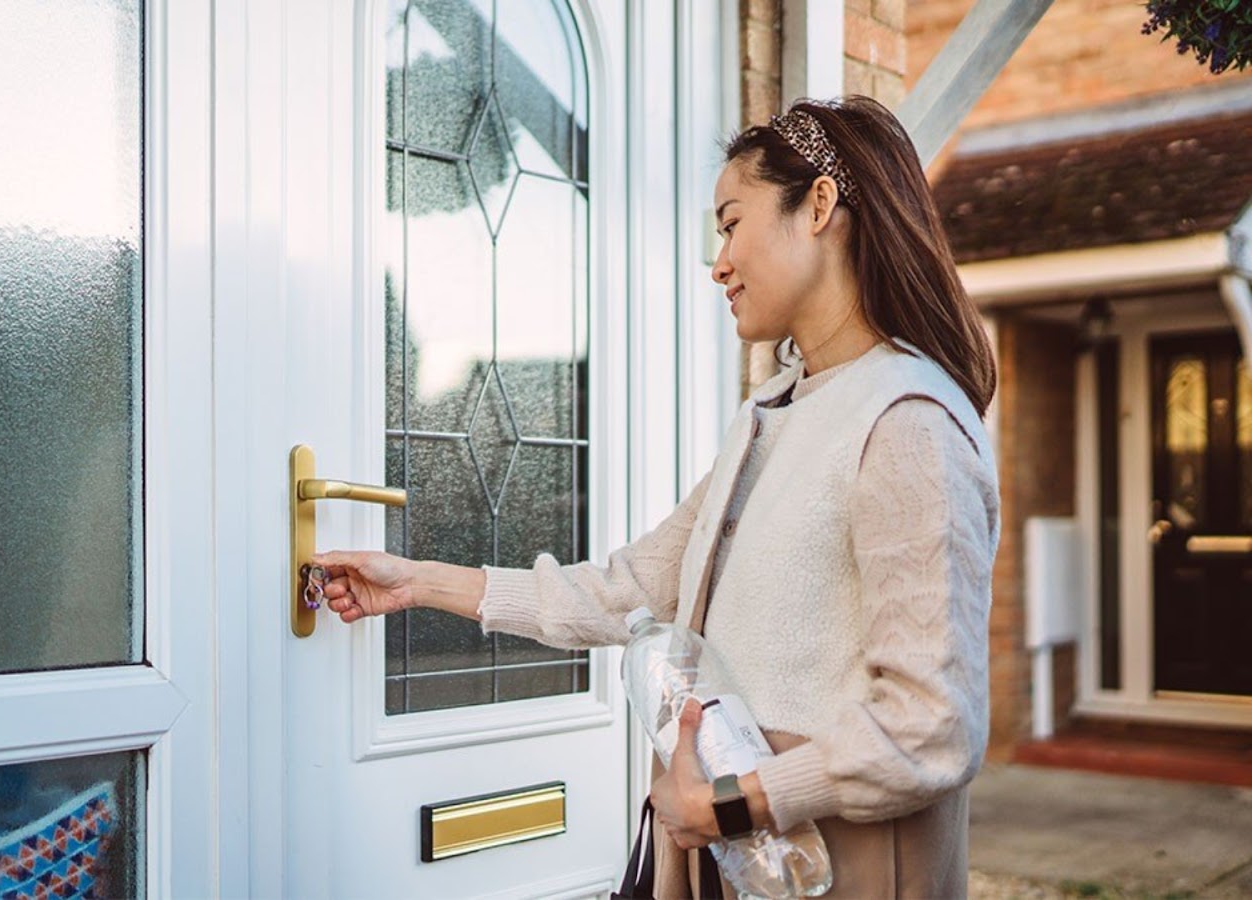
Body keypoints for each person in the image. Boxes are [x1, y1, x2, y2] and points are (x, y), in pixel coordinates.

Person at [313, 95, 999, 899]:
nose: (720, 262)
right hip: (737, 858)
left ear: (818, 205)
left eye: (731, 222)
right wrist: (417, 582)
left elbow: (931, 726)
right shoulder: (773, 415)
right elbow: (626, 591)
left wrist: (733, 806)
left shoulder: (906, 422)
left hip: (838, 869)